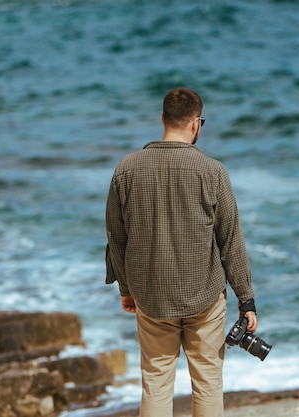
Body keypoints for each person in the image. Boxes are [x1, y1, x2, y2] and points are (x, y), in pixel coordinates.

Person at [105, 87, 258, 417]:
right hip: (204, 294)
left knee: (156, 383)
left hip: (151, 295)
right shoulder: (213, 171)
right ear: (196, 123)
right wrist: (246, 299)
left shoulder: (126, 169)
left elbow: (117, 238)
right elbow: (230, 240)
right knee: (207, 383)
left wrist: (127, 290)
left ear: (162, 119)